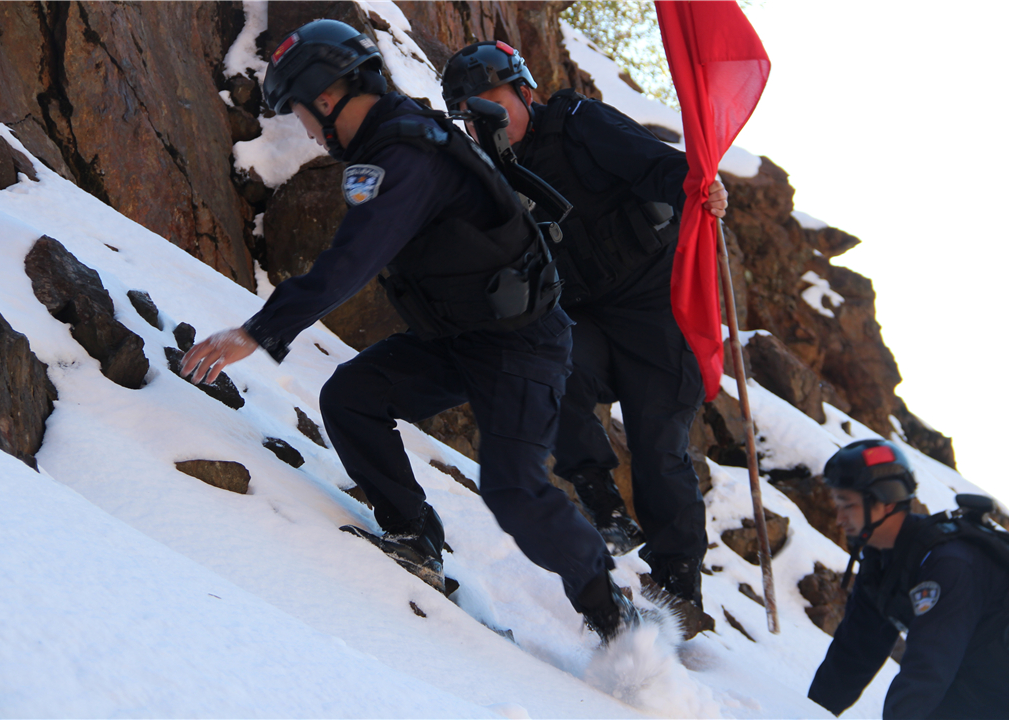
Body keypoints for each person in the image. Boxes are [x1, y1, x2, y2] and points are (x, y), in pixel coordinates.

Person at [180, 20, 637, 644]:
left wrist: (259, 330)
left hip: (521, 344)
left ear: (329, 96)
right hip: (458, 336)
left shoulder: (406, 155)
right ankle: (413, 535)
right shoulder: (391, 144)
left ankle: (613, 614)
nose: (307, 131)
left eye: (303, 115)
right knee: (352, 398)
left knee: (514, 490)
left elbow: (351, 260)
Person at [441, 41, 728, 612]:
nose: (481, 123)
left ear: (524, 92)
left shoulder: (579, 122)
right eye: (468, 115)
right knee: (550, 364)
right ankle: (602, 503)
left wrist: (702, 191)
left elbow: (663, 167)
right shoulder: (490, 173)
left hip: (656, 305)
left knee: (659, 443)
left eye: (489, 104)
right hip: (584, 312)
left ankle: (678, 587)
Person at [808, 438, 1009, 719]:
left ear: (885, 501)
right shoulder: (882, 564)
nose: (839, 519)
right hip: (983, 690)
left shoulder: (948, 565)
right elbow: (854, 654)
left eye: (848, 505)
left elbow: (927, 669)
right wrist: (809, 713)